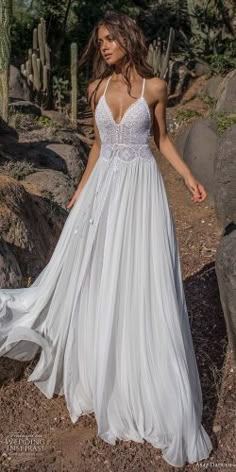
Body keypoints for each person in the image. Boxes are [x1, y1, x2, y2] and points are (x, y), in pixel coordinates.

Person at [0, 10, 213, 468]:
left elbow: (161, 140)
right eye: (99, 42)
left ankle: (139, 373)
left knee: (139, 277)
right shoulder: (96, 89)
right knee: (93, 273)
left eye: (109, 39)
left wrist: (190, 176)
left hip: (141, 193)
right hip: (103, 192)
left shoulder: (154, 88)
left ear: (128, 39)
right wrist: (80, 192)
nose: (104, 47)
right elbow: (97, 145)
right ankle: (97, 366)